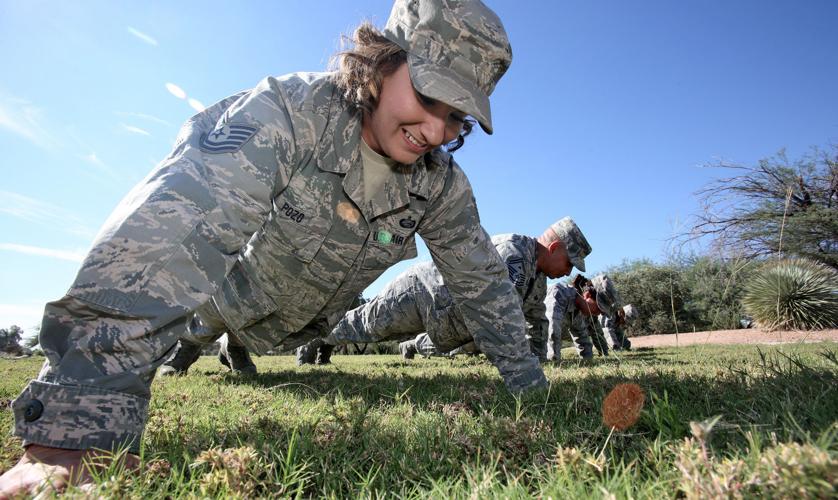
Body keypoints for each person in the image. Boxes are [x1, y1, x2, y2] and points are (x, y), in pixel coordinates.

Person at [1, 1, 544, 495]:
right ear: (382, 63)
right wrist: (72, 434)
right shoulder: (290, 114)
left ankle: (237, 350)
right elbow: (171, 236)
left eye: (456, 117)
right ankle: (197, 349)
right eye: (428, 97)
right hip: (222, 298)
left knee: (256, 344)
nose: (435, 129)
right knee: (197, 329)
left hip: (302, 325)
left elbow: (483, 283)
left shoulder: (440, 185)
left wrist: (527, 383)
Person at [323, 217, 592, 372]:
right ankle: (315, 336)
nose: (568, 271)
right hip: (421, 295)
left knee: (381, 333)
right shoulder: (513, 253)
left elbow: (537, 322)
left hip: (440, 320)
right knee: (366, 325)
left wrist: (539, 362)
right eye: (569, 263)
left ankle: (323, 337)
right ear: (555, 248)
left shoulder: (538, 279)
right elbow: (495, 313)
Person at [545, 274, 620, 361]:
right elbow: (551, 330)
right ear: (587, 295)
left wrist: (588, 360)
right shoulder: (559, 293)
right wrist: (554, 360)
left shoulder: (578, 310)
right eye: (599, 308)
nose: (598, 313)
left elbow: (582, 338)